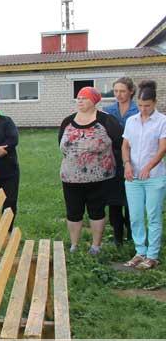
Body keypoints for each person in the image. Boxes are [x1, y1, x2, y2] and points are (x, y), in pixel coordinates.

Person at [58, 86, 122, 254]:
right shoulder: (68, 120)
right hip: (71, 177)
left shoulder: (106, 120)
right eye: (78, 98)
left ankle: (96, 245)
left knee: (97, 210)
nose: (80, 101)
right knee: (73, 211)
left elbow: (119, 143)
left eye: (84, 98)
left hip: (99, 178)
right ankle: (74, 245)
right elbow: (62, 144)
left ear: (93, 101)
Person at [121, 80, 166, 270]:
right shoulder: (131, 121)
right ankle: (140, 251)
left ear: (154, 103)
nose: (143, 109)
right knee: (136, 216)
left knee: (153, 215)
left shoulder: (162, 121)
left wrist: (148, 166)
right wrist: (127, 165)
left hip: (154, 177)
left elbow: (163, 148)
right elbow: (125, 146)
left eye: (147, 105)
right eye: (140, 105)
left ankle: (152, 255)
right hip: (133, 178)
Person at [103, 77, 139, 245]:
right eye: (116, 91)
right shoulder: (108, 111)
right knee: (114, 200)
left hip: (134, 159)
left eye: (122, 91)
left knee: (132, 200)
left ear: (131, 91)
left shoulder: (139, 110)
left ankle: (132, 235)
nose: (118, 94)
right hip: (112, 159)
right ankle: (117, 236)